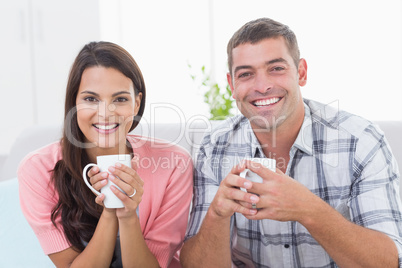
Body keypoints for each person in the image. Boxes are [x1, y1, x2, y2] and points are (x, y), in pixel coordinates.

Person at [180, 18, 402, 267]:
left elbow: (388, 262)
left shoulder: (360, 141)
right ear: (232, 85)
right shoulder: (215, 146)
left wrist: (308, 209)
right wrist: (217, 214)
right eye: (246, 74)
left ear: (301, 72)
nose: (262, 86)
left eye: (276, 68)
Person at [18, 41, 193, 268]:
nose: (106, 113)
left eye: (120, 99)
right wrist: (110, 211)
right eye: (91, 99)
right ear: (74, 103)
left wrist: (128, 215)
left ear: (137, 104)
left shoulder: (174, 163)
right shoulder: (38, 169)